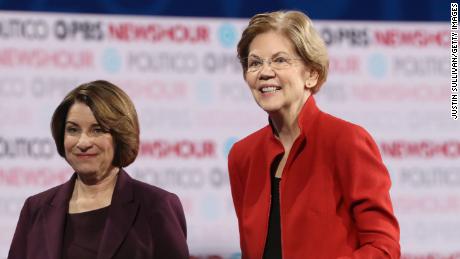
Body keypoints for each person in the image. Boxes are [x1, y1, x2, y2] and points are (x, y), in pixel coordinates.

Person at [228, 11, 400, 259]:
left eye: (279, 60)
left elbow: (384, 247)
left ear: (312, 74)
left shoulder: (346, 141)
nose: (264, 72)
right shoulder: (242, 155)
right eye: (254, 63)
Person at [8, 80, 189, 259]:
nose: (83, 142)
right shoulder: (36, 209)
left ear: (120, 136)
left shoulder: (157, 206)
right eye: (73, 130)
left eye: (97, 130)